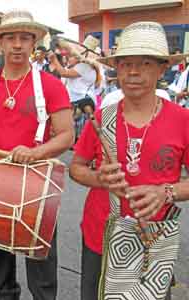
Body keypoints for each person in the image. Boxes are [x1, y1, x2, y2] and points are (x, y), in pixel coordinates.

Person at [69, 21, 189, 300]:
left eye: (145, 63)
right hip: (101, 235)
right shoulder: (102, 117)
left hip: (153, 239)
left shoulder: (183, 120)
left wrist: (167, 192)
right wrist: (98, 178)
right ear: (117, 69)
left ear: (162, 68)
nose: (133, 72)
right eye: (125, 64)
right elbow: (76, 167)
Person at [0, 10, 74, 300]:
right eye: (10, 38)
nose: (17, 44)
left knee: (40, 261)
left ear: (34, 43)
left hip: (37, 184)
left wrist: (35, 151)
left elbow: (67, 135)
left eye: (25, 38)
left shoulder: (51, 85)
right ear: (0, 43)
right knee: (0, 259)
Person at [48, 35, 101, 140]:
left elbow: (63, 73)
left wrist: (54, 60)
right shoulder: (89, 66)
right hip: (81, 99)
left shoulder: (84, 66)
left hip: (81, 99)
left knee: (67, 123)